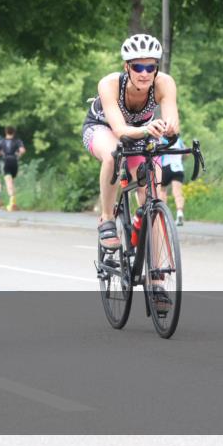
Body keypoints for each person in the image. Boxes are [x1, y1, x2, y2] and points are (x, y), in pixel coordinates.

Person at [81, 33, 179, 304]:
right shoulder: (110, 84)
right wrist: (146, 128)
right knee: (113, 155)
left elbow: (173, 119)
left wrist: (168, 126)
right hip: (103, 128)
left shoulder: (164, 83)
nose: (145, 73)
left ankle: (156, 277)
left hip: (142, 132)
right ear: (127, 67)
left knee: (155, 194)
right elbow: (120, 129)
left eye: (150, 67)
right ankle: (106, 218)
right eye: (138, 67)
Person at [158, 135, 187, 225]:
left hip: (166, 167)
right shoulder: (179, 140)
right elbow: (186, 153)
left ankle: (164, 215)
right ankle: (179, 213)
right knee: (178, 192)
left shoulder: (161, 139)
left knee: (162, 191)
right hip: (178, 168)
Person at [0, 126, 26, 211]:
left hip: (6, 161)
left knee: (8, 182)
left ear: (6, 132)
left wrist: (1, 153)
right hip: (14, 162)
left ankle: (11, 203)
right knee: (12, 181)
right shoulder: (17, 141)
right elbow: (22, 150)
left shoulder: (1, 141)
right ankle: (14, 203)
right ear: (14, 132)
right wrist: (19, 155)